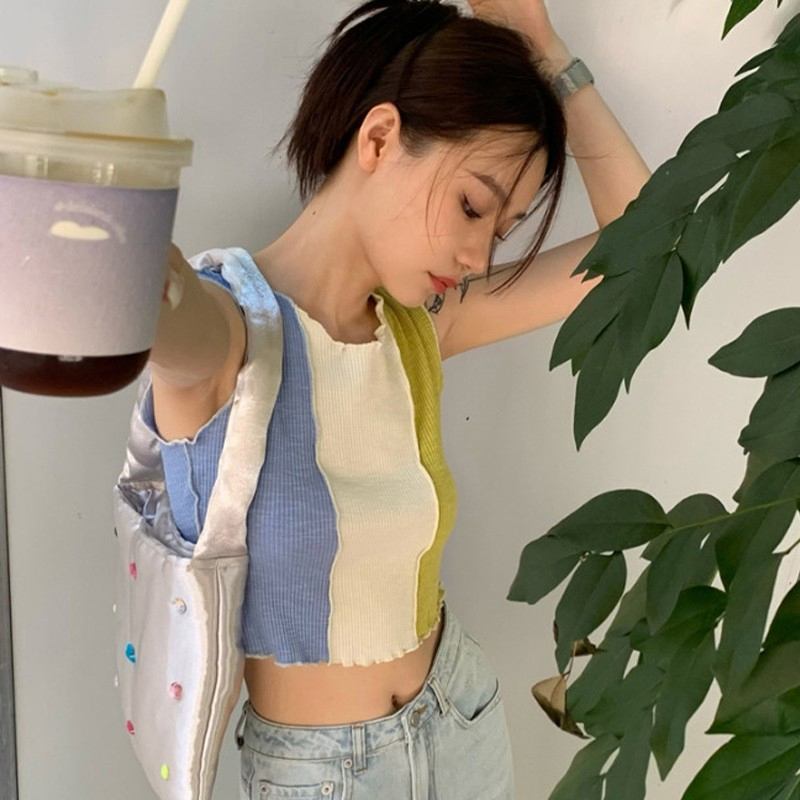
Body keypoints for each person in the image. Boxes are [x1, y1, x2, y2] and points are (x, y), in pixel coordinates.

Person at [147, 0, 651, 796]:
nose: (478, 253)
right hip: (320, 775)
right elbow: (142, 304)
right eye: (473, 206)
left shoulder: (420, 324)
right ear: (379, 138)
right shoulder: (231, 326)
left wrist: (544, 48)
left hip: (462, 719)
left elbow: (643, 244)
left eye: (502, 230)